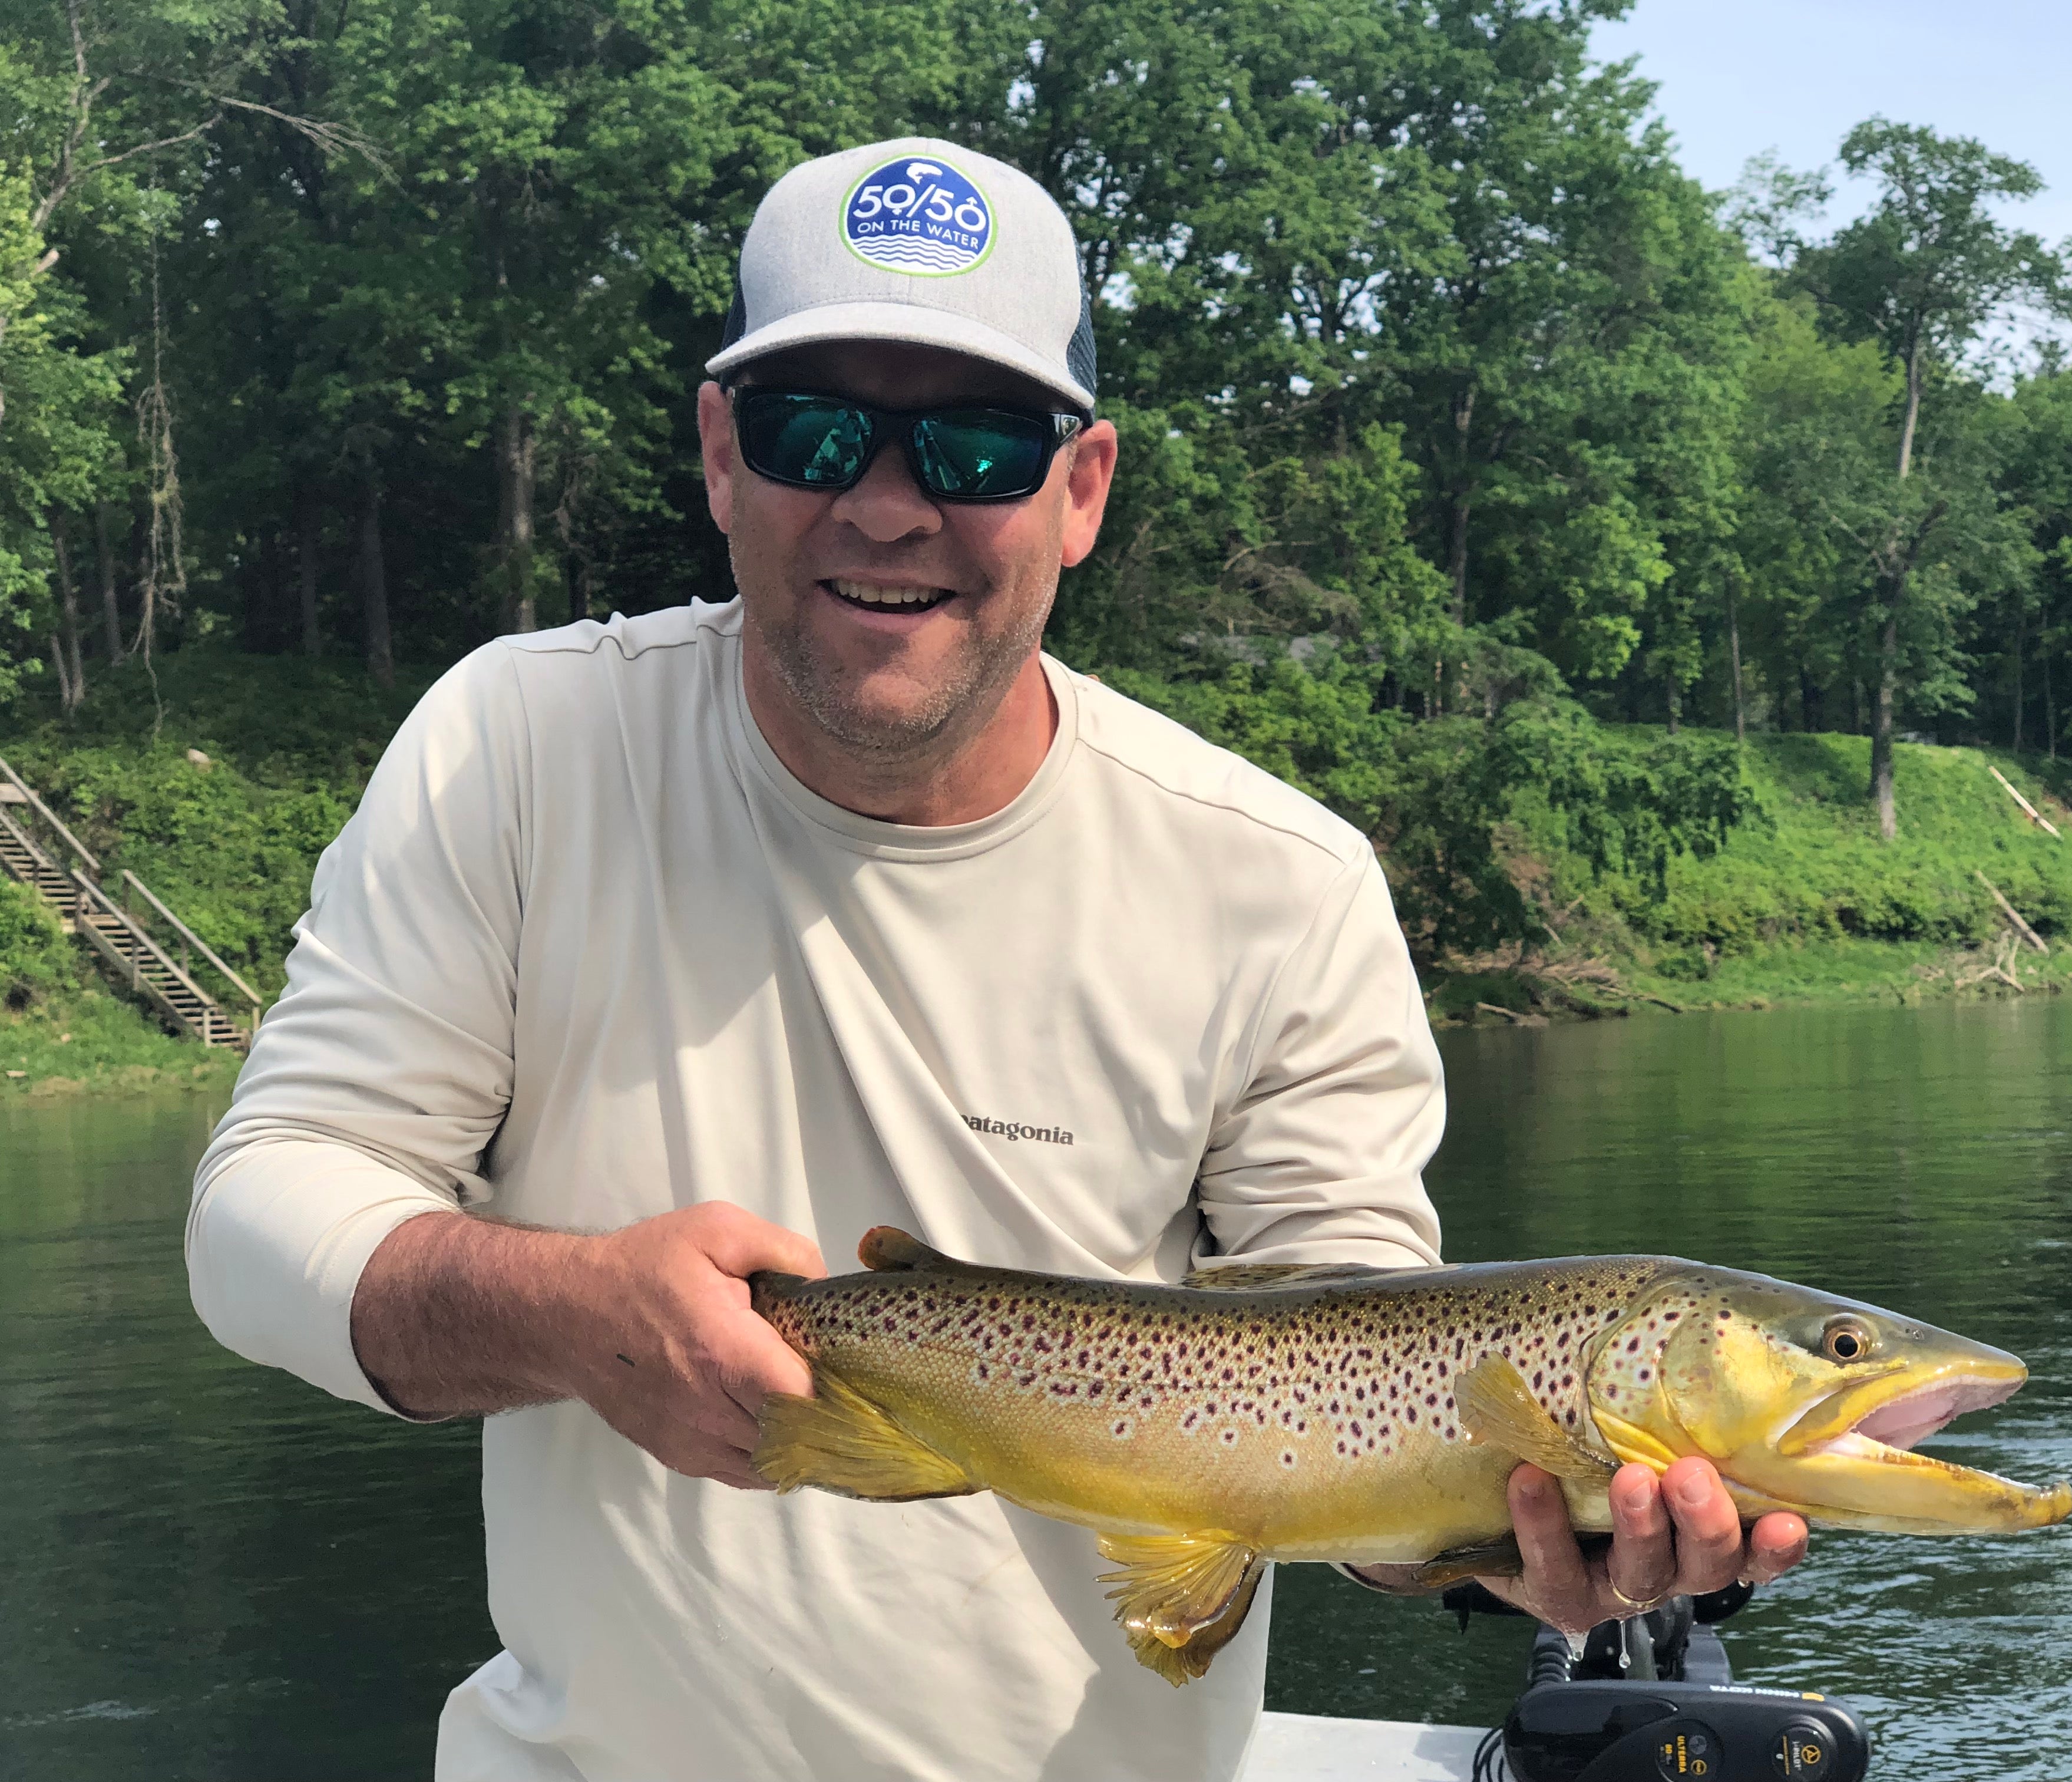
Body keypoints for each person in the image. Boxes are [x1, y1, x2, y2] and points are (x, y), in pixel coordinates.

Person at [186, 137, 1806, 1782]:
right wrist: (570, 1311)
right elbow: (262, 1215)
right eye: (817, 428)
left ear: (1082, 491)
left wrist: (1510, 1527)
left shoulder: (1280, 885)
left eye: (977, 443)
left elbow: (1365, 1388)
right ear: (722, 455)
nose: (889, 505)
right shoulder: (518, 749)